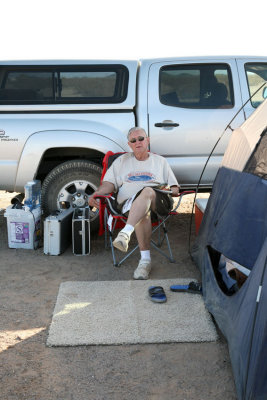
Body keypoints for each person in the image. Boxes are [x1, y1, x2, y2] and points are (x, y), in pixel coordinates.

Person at [88, 127, 180, 279]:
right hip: (129, 206)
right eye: (133, 140)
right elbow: (109, 184)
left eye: (141, 139)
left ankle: (126, 232)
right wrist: (96, 193)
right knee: (142, 212)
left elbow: (175, 187)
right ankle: (145, 261)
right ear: (129, 144)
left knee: (148, 191)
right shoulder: (121, 161)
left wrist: (171, 189)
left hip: (158, 201)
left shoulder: (160, 161)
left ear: (148, 140)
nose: (138, 142)